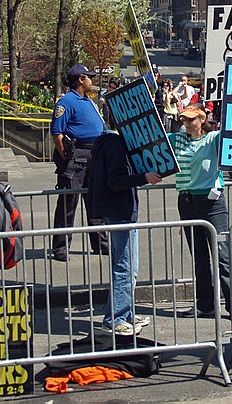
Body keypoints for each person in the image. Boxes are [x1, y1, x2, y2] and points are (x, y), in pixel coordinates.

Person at [88, 112, 162, 335]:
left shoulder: (107, 141)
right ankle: (116, 318)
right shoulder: (116, 144)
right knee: (125, 267)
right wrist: (143, 177)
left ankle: (125, 312)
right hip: (121, 211)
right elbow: (116, 180)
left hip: (118, 210)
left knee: (127, 266)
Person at [169, 103, 232, 321]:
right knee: (200, 257)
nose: (187, 123)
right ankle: (206, 304)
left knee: (222, 255)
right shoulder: (178, 139)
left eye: (192, 119)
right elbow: (156, 143)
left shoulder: (213, 138)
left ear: (202, 119)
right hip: (187, 201)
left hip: (213, 202)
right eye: (184, 119)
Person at [50, 64, 107, 261]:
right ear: (81, 79)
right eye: (89, 76)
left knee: (96, 201)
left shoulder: (88, 101)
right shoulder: (67, 102)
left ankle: (100, 243)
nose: (92, 80)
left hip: (95, 155)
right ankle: (60, 248)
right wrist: (65, 156)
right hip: (77, 156)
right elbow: (57, 132)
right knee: (69, 203)